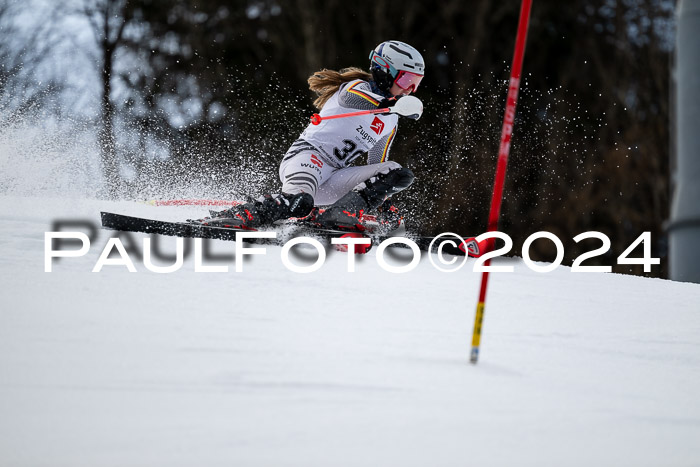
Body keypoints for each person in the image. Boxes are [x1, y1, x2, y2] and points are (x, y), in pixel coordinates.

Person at [199, 40, 425, 231]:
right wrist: (389, 103)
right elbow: (353, 100)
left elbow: (377, 164)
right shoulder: (355, 87)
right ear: (385, 72)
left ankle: (338, 215)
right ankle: (238, 215)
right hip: (308, 158)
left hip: (334, 178)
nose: (410, 90)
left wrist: (383, 201)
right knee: (299, 202)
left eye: (416, 84)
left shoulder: (391, 120)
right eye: (406, 81)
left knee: (397, 172)